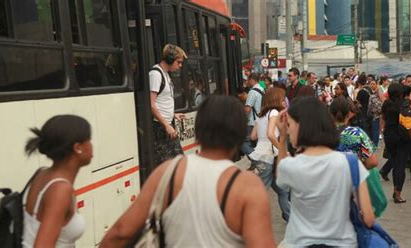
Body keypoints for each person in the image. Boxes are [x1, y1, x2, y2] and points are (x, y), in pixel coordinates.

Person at [101, 96, 276, 247]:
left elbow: (120, 233)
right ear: (239, 135)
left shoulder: (167, 172)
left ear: (198, 131)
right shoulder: (247, 186)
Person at [275, 97, 374, 247]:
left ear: (302, 127)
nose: (288, 130)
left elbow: (280, 178)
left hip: (300, 242)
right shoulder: (351, 163)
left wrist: (282, 139)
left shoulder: (291, 166)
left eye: (290, 125)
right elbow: (368, 218)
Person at [22, 115, 92, 247]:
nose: (92, 145)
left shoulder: (42, 174)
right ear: (78, 148)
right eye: (89, 140)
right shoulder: (60, 189)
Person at [249, 88, 290, 221]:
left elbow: (253, 136)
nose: (284, 101)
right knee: (258, 194)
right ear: (276, 99)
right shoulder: (273, 113)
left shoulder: (261, 115)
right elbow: (270, 134)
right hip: (267, 158)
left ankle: (292, 218)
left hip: (261, 156)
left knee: (282, 191)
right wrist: (282, 149)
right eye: (282, 98)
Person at [150, 44, 187, 167]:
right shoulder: (156, 74)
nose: (180, 66)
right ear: (170, 59)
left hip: (166, 124)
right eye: (179, 62)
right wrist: (166, 125)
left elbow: (162, 101)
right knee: (170, 167)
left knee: (177, 165)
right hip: (160, 127)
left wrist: (173, 114)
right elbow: (151, 104)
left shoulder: (165, 74)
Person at [379, 83, 411, 203]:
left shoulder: (386, 103)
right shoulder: (403, 103)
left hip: (389, 135)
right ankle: (398, 194)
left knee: (394, 161)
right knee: (400, 166)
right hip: (402, 136)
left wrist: (382, 131)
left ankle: (395, 191)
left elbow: (383, 117)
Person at [330, 97, 378, 169]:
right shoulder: (357, 134)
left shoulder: (322, 132)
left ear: (330, 113)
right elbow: (373, 161)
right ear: (349, 114)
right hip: (350, 177)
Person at [242, 73, 265, 156]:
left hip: (252, 121)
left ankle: (255, 159)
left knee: (245, 142)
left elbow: (248, 109)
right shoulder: (262, 89)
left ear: (252, 80)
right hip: (260, 120)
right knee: (256, 142)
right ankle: (257, 159)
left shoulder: (252, 92)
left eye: (248, 80)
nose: (247, 82)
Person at [368, 79, 383, 146]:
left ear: (376, 85)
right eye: (371, 84)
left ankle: (375, 143)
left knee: (375, 129)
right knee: (374, 129)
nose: (372, 85)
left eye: (374, 84)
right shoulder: (370, 92)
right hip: (373, 114)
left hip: (377, 114)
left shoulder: (378, 92)